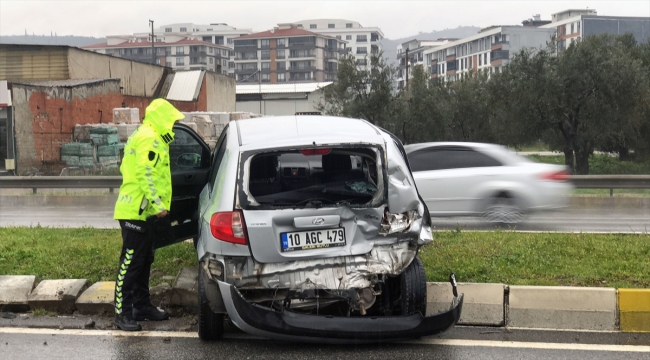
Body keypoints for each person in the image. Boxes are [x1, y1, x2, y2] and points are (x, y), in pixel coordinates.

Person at [113, 99, 184, 331]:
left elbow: (127, 168)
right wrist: (157, 205)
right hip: (137, 211)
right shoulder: (150, 138)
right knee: (131, 263)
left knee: (143, 261)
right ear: (162, 119)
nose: (173, 126)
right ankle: (122, 313)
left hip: (139, 211)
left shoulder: (140, 135)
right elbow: (146, 174)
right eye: (172, 121)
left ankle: (141, 306)